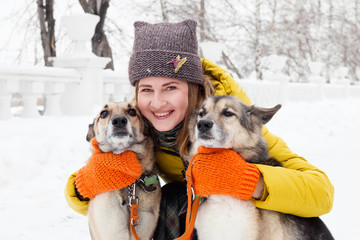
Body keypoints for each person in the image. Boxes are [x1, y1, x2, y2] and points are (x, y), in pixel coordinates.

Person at [65, 19, 334, 239]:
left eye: (170, 88)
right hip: (193, 213)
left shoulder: (235, 126)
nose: (157, 102)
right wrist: (82, 186)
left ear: (192, 89)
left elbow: (322, 193)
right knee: (172, 198)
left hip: (237, 220)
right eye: (147, 89)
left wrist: (252, 181)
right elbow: (93, 189)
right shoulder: (138, 123)